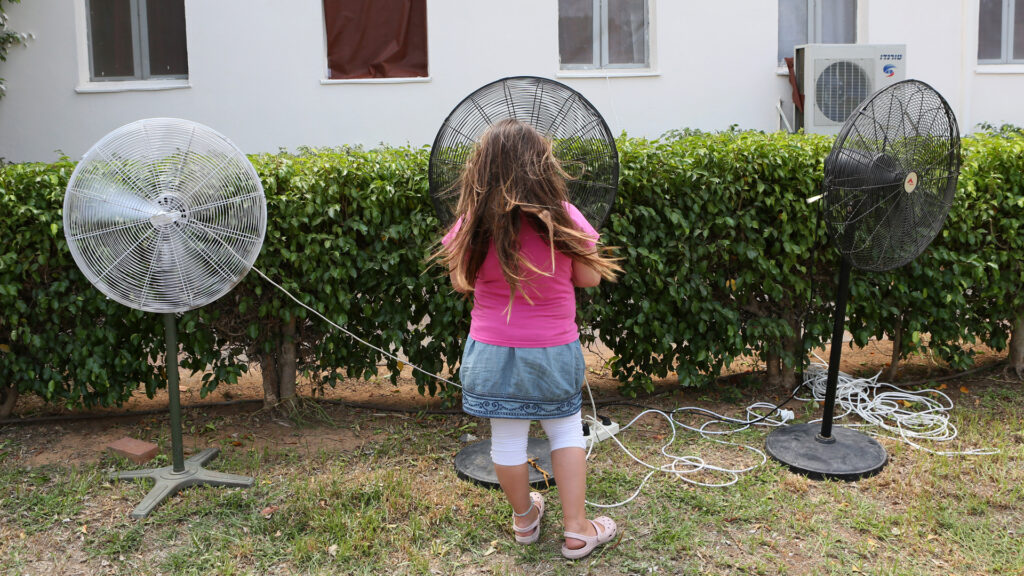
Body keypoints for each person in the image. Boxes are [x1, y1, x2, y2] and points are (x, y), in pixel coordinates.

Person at [436, 118, 622, 559]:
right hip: (553, 350)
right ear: (542, 166)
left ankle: (525, 520)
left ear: (481, 169)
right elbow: (590, 277)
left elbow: (461, 283)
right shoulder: (563, 216)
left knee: (506, 439)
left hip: (491, 351)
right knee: (564, 432)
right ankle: (577, 530)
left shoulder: (470, 224)